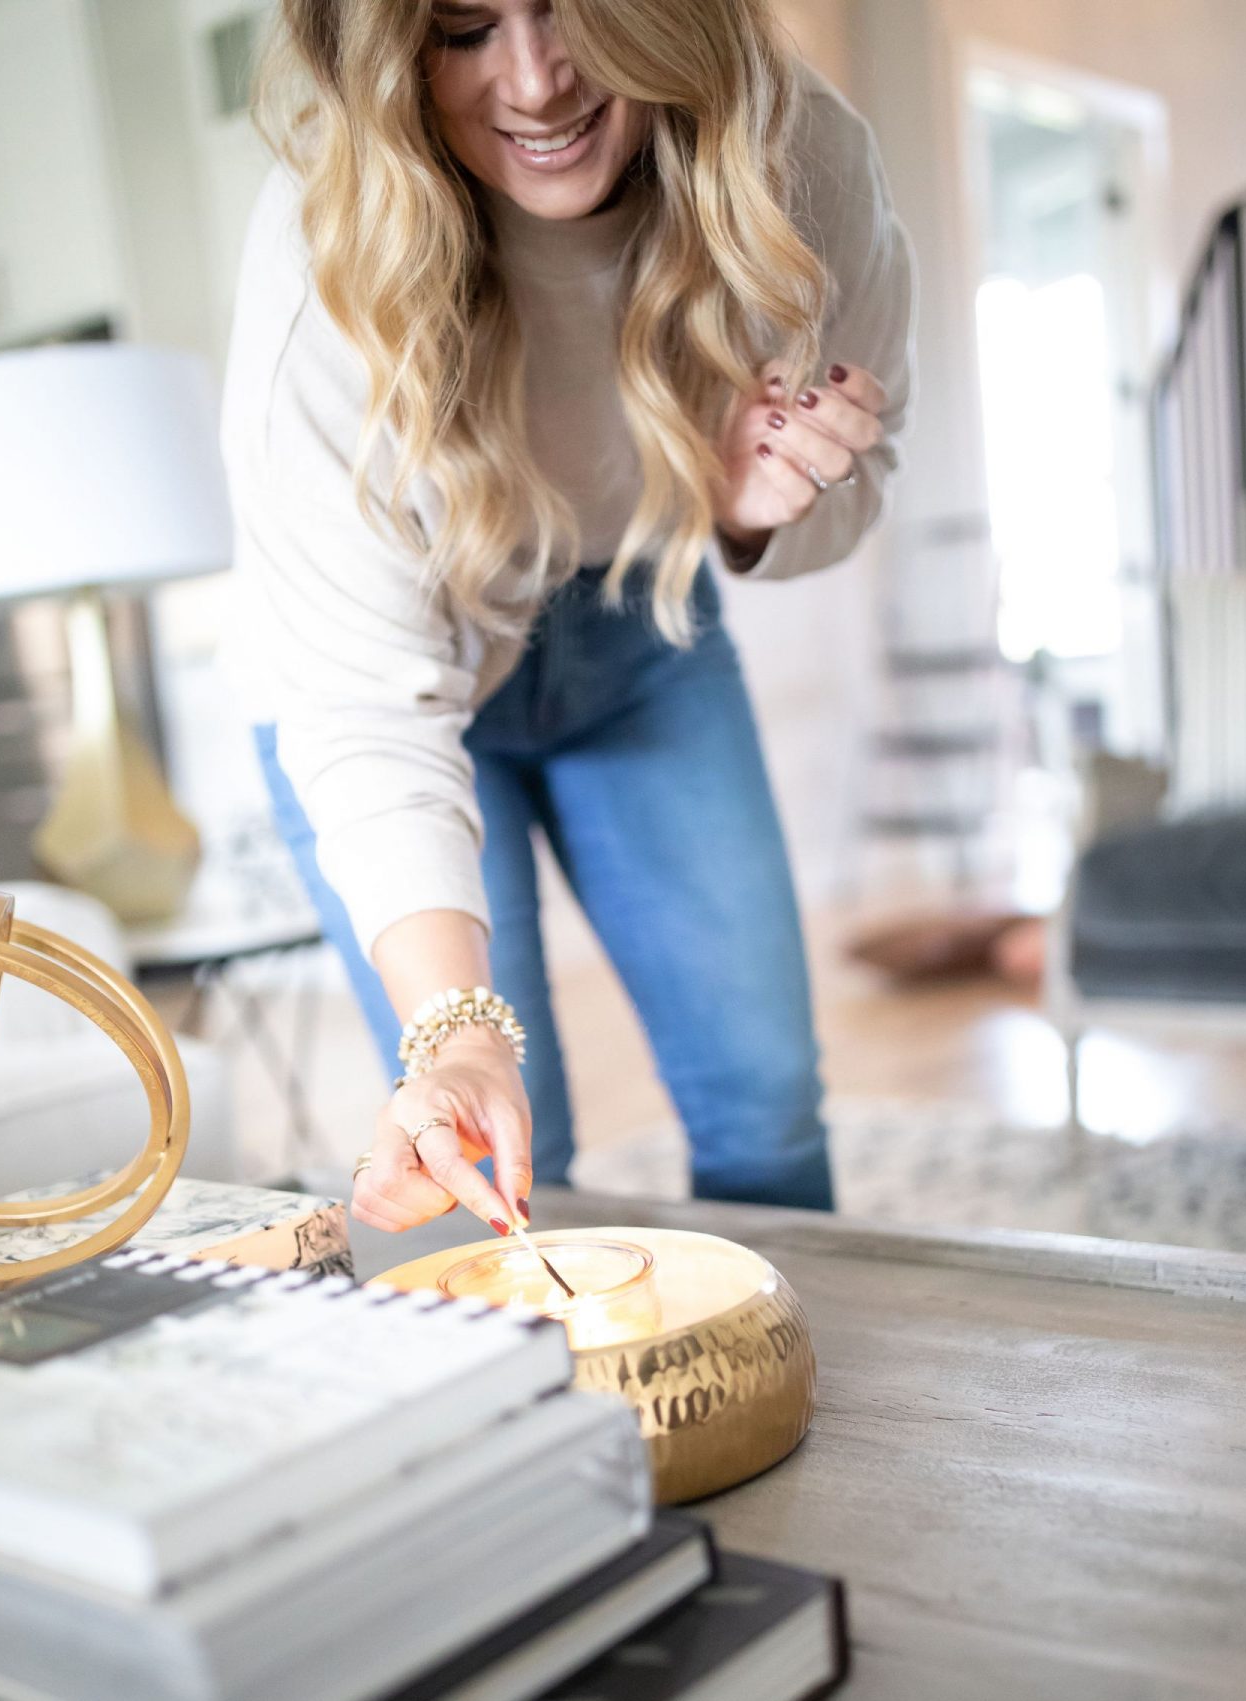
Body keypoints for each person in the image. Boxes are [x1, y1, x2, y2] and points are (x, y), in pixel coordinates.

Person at [223, 0, 915, 1238]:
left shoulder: (806, 160)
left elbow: (853, 498)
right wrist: (457, 1034)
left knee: (765, 1107)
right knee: (501, 1126)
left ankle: (781, 1386)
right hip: (394, 673)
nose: (537, 83)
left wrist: (744, 514)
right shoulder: (319, 255)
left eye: (574, 9)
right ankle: (555, 1423)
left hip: (640, 614)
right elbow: (365, 706)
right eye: (464, 27)